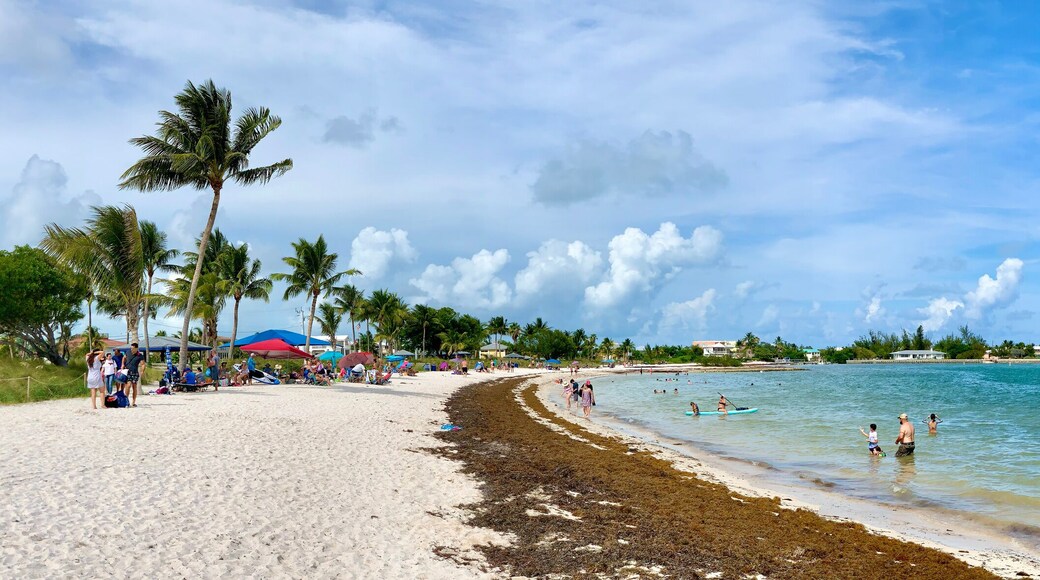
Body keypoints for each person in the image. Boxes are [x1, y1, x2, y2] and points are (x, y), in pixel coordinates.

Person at [122, 343, 146, 407]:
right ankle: (126, 401)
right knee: (128, 385)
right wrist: (123, 364)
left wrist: (142, 371)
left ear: (136, 348)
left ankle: (133, 402)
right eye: (131, 348)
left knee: (134, 387)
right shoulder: (128, 352)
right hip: (127, 371)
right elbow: (124, 358)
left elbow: (143, 364)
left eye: (133, 348)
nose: (131, 349)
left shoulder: (140, 355)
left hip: (135, 372)